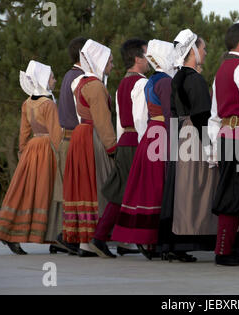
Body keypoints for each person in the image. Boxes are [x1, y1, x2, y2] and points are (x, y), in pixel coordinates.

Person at [111, 39, 176, 258]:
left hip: (150, 134)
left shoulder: (150, 81)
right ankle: (153, 240)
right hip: (160, 134)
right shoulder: (164, 82)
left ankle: (148, 240)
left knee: (148, 188)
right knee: (158, 187)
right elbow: (167, 114)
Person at [158, 29, 218, 262]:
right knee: (194, 188)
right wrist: (210, 146)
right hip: (194, 135)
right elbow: (203, 114)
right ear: (192, 50)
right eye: (202, 48)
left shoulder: (177, 77)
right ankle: (187, 237)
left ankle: (173, 242)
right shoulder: (194, 79)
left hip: (181, 133)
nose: (205, 52)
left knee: (180, 187)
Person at [0, 60, 62, 255]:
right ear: (42, 78)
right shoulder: (48, 104)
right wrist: (62, 156)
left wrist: (23, 154)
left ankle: (10, 232)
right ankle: (54, 238)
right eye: (51, 76)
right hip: (47, 150)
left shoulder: (28, 103)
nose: (55, 80)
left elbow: (24, 133)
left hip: (32, 149)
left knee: (25, 193)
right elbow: (56, 134)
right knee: (47, 192)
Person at [89, 39, 149, 258]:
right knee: (136, 191)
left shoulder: (123, 83)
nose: (149, 59)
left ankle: (104, 236)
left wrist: (119, 141)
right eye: (146, 55)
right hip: (136, 141)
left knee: (121, 191)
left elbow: (120, 121)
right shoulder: (141, 83)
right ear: (137, 59)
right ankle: (138, 240)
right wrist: (146, 144)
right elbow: (141, 118)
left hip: (125, 141)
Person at [208, 23, 239, 266]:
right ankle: (224, 250)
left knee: (233, 191)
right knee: (236, 193)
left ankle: (229, 246)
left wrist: (215, 145)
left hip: (227, 134)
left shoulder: (222, 69)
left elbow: (215, 114)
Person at [62, 39, 116, 257]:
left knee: (85, 186)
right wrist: (112, 147)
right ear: (98, 61)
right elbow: (102, 120)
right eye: (109, 61)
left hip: (80, 136)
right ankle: (94, 238)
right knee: (98, 185)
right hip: (92, 136)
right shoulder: (94, 86)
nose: (112, 65)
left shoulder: (81, 82)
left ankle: (85, 243)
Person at [52, 37, 87, 255]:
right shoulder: (80, 78)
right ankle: (69, 237)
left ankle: (66, 237)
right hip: (76, 138)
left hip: (66, 138)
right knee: (78, 190)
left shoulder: (68, 75)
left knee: (70, 191)